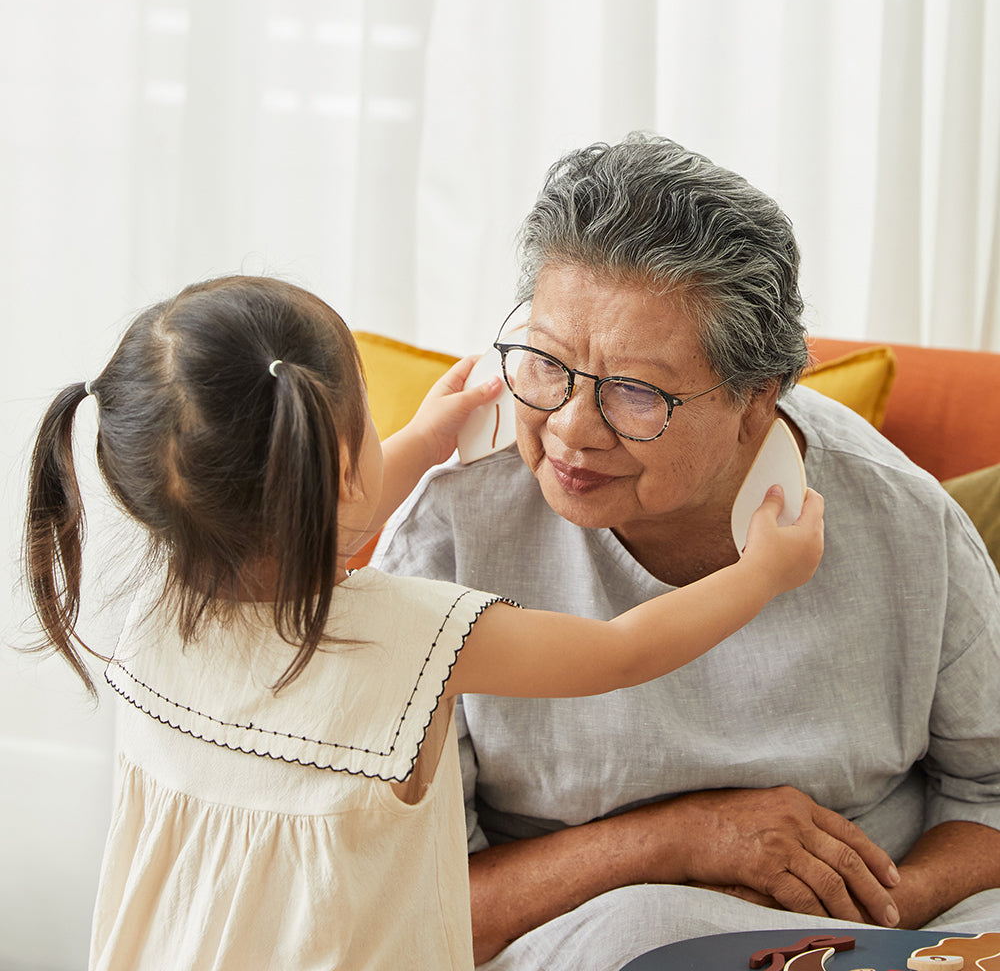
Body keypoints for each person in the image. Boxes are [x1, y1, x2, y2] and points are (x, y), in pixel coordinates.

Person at [22, 275, 824, 971]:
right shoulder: (416, 636)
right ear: (341, 469)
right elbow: (622, 651)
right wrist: (760, 576)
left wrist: (423, 441)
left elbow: (308, 521)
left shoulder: (150, 616)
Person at [371, 133, 1000, 969]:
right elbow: (408, 901)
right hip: (586, 935)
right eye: (547, 362)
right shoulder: (447, 534)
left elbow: (990, 792)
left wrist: (877, 914)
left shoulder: (903, 519)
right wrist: (682, 839)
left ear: (755, 400)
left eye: (636, 391)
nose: (570, 429)